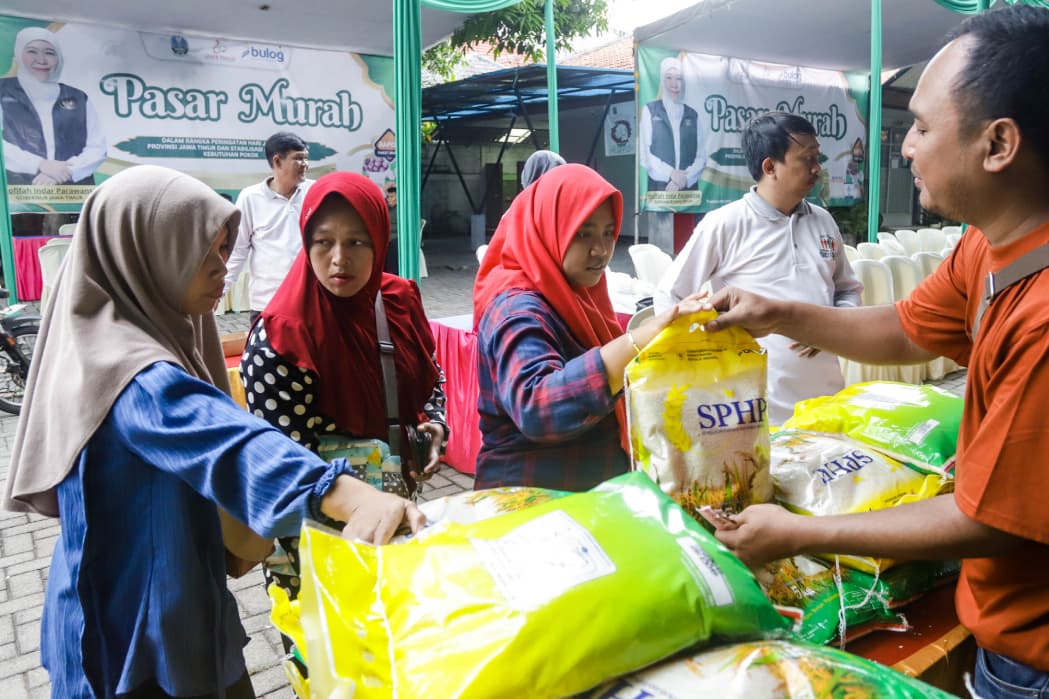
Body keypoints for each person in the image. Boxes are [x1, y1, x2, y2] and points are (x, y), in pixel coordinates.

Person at [701, 6, 1049, 692]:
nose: (906, 147)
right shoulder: (988, 241)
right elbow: (905, 328)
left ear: (997, 143)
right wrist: (778, 313)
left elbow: (984, 519)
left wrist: (799, 534)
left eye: (921, 126)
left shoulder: (1040, 317)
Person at [1, 165, 423, 698]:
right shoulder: (130, 371)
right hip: (136, 626)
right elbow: (226, 439)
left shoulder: (158, 329)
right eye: (205, 252)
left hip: (177, 590)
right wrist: (344, 494)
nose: (223, 269)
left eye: (226, 250)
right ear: (148, 252)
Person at [241, 171, 447, 625]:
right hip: (318, 544)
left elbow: (431, 376)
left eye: (357, 242)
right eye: (324, 242)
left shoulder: (397, 299)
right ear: (306, 242)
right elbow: (282, 468)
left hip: (395, 519)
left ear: (379, 241)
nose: (339, 259)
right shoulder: (281, 338)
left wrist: (434, 424)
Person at [473, 163, 703, 491]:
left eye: (609, 232)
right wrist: (637, 341)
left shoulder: (574, 294)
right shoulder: (516, 309)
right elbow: (537, 406)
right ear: (548, 229)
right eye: (583, 233)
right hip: (531, 505)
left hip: (580, 496)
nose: (601, 250)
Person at [655, 112, 862, 425]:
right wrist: (706, 362)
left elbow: (846, 288)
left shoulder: (823, 220)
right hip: (756, 411)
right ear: (770, 167)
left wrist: (829, 325)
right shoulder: (726, 223)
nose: (817, 168)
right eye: (807, 159)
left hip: (826, 401)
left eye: (817, 157)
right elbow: (670, 294)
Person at [224, 131, 313, 323]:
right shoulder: (250, 197)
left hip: (310, 299)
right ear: (277, 161)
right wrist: (220, 290)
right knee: (268, 353)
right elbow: (238, 250)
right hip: (267, 302)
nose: (305, 165)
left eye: (306, 158)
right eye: (298, 159)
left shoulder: (314, 192)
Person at [0, 27, 107, 186]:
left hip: (72, 192)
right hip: (18, 191)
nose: (41, 59)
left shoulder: (78, 97)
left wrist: (67, 171)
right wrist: (40, 164)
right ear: (18, 56)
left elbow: (97, 148)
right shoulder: (2, 90)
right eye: (32, 51)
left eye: (49, 53)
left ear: (59, 59)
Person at [639, 56, 705, 193]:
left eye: (679, 78)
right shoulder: (650, 111)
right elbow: (645, 155)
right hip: (660, 192)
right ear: (662, 81)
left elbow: (701, 157)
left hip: (688, 192)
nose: (674, 84)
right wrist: (670, 173)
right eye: (669, 78)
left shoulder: (693, 115)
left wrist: (683, 179)